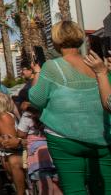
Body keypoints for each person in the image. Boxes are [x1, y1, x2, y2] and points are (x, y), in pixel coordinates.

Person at [28, 21, 111, 193]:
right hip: (101, 137)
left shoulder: (52, 66)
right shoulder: (98, 65)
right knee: (104, 188)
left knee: (74, 189)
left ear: (56, 40)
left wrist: (37, 72)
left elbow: (37, 100)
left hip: (64, 138)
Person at [16, 103, 62, 195]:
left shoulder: (29, 114)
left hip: (37, 154)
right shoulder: (54, 108)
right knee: (56, 184)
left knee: (43, 185)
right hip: (55, 147)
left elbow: (21, 134)